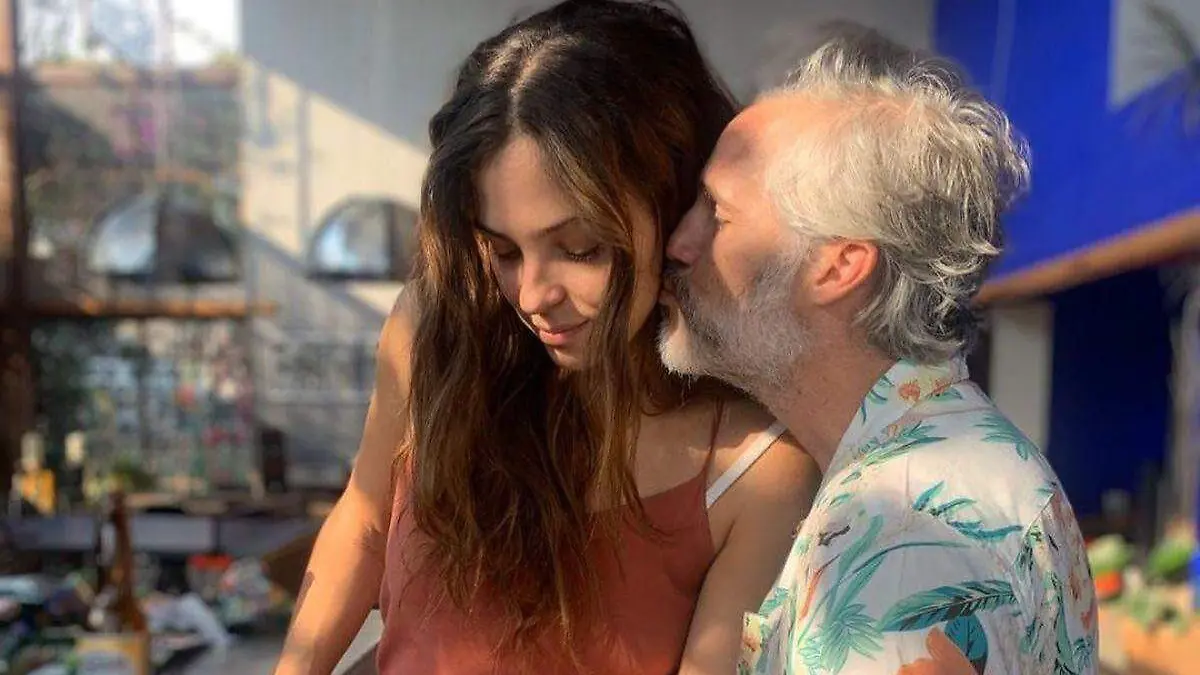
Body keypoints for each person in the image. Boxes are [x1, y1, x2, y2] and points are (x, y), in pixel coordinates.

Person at [272, 2, 821, 674]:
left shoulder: (755, 463)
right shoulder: (437, 334)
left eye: (580, 248)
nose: (532, 295)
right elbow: (363, 520)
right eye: (503, 250)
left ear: (678, 210)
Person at [658, 23, 1098, 675]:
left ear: (838, 267)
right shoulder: (927, 473)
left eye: (717, 213)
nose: (679, 243)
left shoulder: (908, 532)